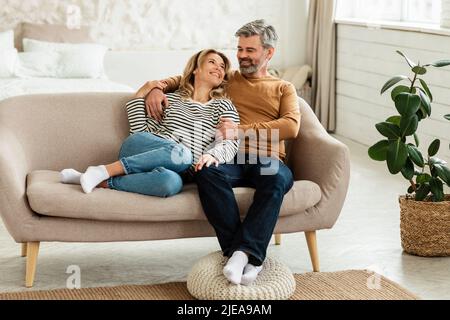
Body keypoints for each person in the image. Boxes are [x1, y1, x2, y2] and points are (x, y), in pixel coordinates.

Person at [144, 20, 301, 286]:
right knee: (205, 171)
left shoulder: (283, 88)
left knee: (275, 180)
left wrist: (241, 130)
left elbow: (291, 126)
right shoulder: (228, 80)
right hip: (230, 159)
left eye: (250, 50)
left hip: (267, 160)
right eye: (239, 48)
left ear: (268, 53)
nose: (241, 55)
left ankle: (241, 254)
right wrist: (157, 86)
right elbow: (187, 77)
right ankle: (244, 255)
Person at [59, 49, 240, 197]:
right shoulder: (170, 99)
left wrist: (215, 156)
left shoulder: (223, 105)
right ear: (195, 69)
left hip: (181, 171)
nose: (218, 67)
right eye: (212, 62)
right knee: (181, 153)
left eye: (223, 66)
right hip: (141, 148)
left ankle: (96, 179)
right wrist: (149, 87)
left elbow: (230, 140)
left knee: (170, 184)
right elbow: (140, 131)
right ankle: (103, 170)